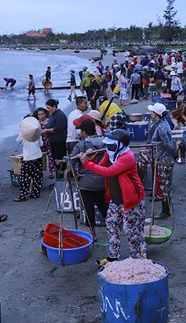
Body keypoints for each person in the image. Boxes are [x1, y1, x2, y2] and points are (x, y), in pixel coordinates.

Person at [79, 129, 146, 266]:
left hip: (131, 200)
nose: (108, 147)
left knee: (132, 232)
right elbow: (100, 167)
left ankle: (138, 260)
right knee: (111, 225)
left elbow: (109, 172)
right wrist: (92, 159)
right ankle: (113, 257)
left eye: (111, 144)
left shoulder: (127, 157)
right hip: (116, 200)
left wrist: (86, 163)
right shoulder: (110, 153)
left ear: (120, 144)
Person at [137, 103, 177, 219]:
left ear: (157, 114)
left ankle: (166, 211)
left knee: (165, 187)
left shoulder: (161, 128)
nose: (150, 114)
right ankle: (139, 184)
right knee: (143, 156)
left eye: (152, 112)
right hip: (159, 157)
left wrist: (174, 156)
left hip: (164, 160)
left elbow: (168, 145)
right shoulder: (160, 124)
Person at [69, 119, 107, 241]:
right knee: (104, 207)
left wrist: (75, 174)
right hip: (103, 180)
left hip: (86, 183)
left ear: (84, 132)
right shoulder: (105, 141)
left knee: (88, 209)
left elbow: (71, 161)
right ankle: (112, 230)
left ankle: (93, 233)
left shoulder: (81, 145)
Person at [14, 116, 43, 202]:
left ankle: (23, 195)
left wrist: (21, 131)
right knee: (37, 176)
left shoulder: (23, 134)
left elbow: (18, 141)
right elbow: (41, 144)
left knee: (25, 178)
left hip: (28, 157)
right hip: (38, 156)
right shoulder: (38, 133)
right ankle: (35, 193)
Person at [42, 99, 68, 171]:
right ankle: (59, 174)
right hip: (54, 141)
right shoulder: (52, 115)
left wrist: (47, 130)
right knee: (55, 159)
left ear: (54, 106)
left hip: (59, 141)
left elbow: (59, 128)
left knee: (59, 159)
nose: (48, 110)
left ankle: (61, 174)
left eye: (49, 108)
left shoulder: (59, 115)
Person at [34, 107, 56, 179]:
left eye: (42, 114)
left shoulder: (49, 121)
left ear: (45, 114)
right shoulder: (37, 123)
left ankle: (51, 172)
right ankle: (41, 171)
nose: (41, 116)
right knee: (40, 158)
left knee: (50, 157)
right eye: (39, 115)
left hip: (49, 141)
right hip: (40, 142)